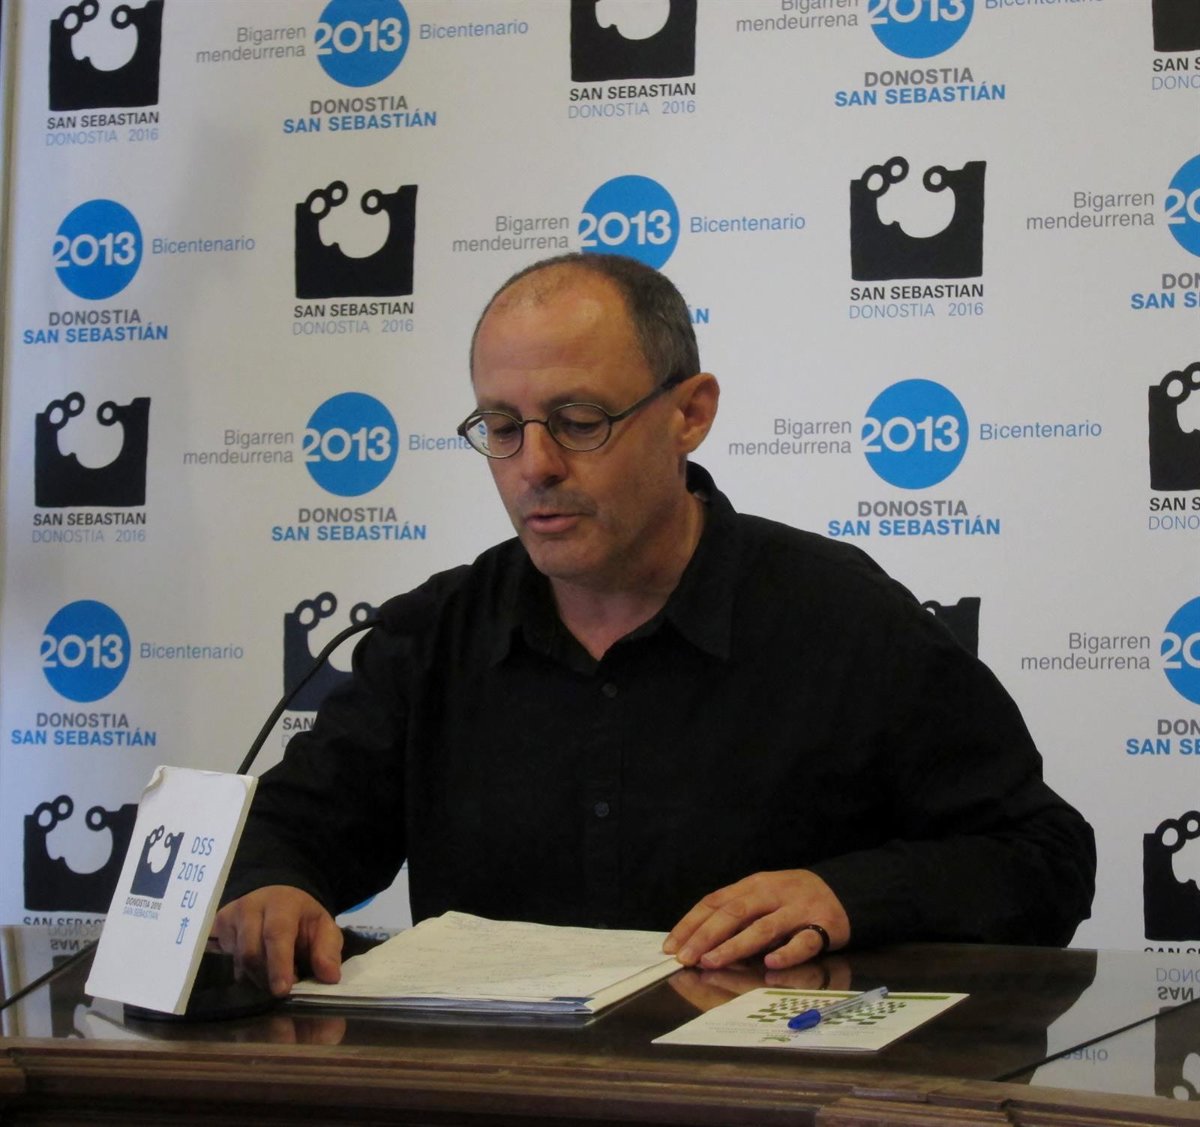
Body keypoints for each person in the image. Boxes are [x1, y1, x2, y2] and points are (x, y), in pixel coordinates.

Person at [215, 253, 1096, 997]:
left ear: (689, 413)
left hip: (759, 1099)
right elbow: (289, 830)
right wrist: (271, 886)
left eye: (579, 421)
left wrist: (848, 895)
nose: (535, 466)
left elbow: (1044, 856)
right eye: (501, 427)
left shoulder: (842, 618)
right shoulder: (434, 632)